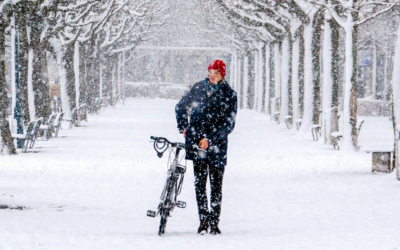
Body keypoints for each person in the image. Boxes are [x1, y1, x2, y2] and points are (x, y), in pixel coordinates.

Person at [175, 60, 237, 235]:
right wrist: (184, 128)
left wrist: (210, 139)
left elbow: (229, 124)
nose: (212, 75)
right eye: (211, 71)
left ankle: (214, 222)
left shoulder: (230, 94)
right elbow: (180, 107)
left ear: (222, 75)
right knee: (200, 184)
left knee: (216, 185)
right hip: (197, 145)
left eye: (216, 72)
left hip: (217, 147)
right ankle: (203, 221)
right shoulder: (197, 88)